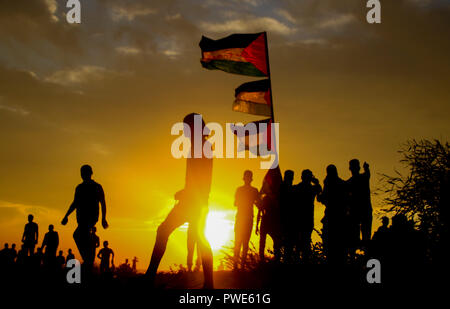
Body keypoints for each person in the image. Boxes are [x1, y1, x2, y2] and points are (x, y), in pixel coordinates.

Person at [145, 113, 214, 289]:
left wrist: (186, 193)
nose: (185, 131)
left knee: (165, 231)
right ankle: (209, 284)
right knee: (199, 239)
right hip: (195, 201)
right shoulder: (199, 146)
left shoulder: (202, 147)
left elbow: (203, 179)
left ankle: (149, 277)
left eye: (187, 127)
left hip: (194, 202)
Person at [61, 165, 109, 273]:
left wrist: (103, 218)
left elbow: (103, 203)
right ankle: (88, 260)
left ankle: (87, 260)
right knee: (83, 237)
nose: (84, 175)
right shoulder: (79, 188)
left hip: (91, 217)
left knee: (78, 235)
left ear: (90, 173)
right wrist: (66, 215)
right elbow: (75, 203)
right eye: (82, 173)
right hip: (81, 218)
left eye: (85, 173)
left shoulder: (97, 186)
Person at [317, 165, 348, 265]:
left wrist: (319, 193)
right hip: (340, 218)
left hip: (333, 218)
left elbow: (323, 198)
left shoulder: (329, 182)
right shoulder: (342, 183)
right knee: (339, 246)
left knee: (331, 244)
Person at [233, 170, 260, 269]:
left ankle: (238, 266)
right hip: (245, 218)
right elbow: (258, 204)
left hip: (244, 218)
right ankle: (239, 266)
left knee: (240, 242)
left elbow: (235, 203)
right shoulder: (253, 191)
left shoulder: (240, 190)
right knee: (242, 242)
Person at [294, 169, 322, 262]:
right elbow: (319, 192)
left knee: (299, 243)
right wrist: (316, 182)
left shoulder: (297, 188)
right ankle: (304, 262)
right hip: (307, 219)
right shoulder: (312, 188)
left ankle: (299, 261)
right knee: (305, 243)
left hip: (300, 219)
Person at [256, 168, 282, 263]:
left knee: (276, 241)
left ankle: (276, 259)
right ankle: (261, 259)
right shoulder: (266, 198)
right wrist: (257, 225)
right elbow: (260, 210)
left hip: (274, 220)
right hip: (266, 220)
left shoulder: (278, 197)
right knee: (262, 241)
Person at [347, 159, 372, 250]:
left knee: (355, 236)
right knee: (365, 236)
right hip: (364, 210)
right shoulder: (364, 177)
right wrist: (366, 168)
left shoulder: (349, 182)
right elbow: (367, 172)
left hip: (356, 212)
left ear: (350, 168)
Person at [280, 170, 296, 262]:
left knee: (288, 246)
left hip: (290, 221)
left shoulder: (294, 189)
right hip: (284, 221)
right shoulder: (282, 188)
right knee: (285, 245)